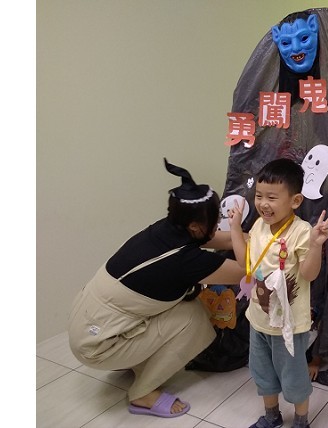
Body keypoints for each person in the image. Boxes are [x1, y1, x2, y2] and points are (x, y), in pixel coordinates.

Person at [68, 159, 246, 418]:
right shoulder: (186, 260)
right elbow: (244, 269)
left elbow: (221, 239)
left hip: (86, 322)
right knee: (195, 319)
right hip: (97, 343)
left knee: (182, 307)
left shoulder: (167, 229)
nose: (220, 221)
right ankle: (143, 394)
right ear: (195, 226)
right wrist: (238, 228)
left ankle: (136, 360)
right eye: (216, 218)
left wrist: (254, 236)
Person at [228, 158, 328, 428]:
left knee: (294, 377)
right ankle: (272, 416)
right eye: (259, 196)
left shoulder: (302, 231)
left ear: (295, 201)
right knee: (262, 373)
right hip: (258, 319)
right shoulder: (258, 226)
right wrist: (235, 228)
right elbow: (244, 263)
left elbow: (309, 274)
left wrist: (315, 245)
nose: (263, 203)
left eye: (272, 197)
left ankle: (301, 421)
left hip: (290, 326)